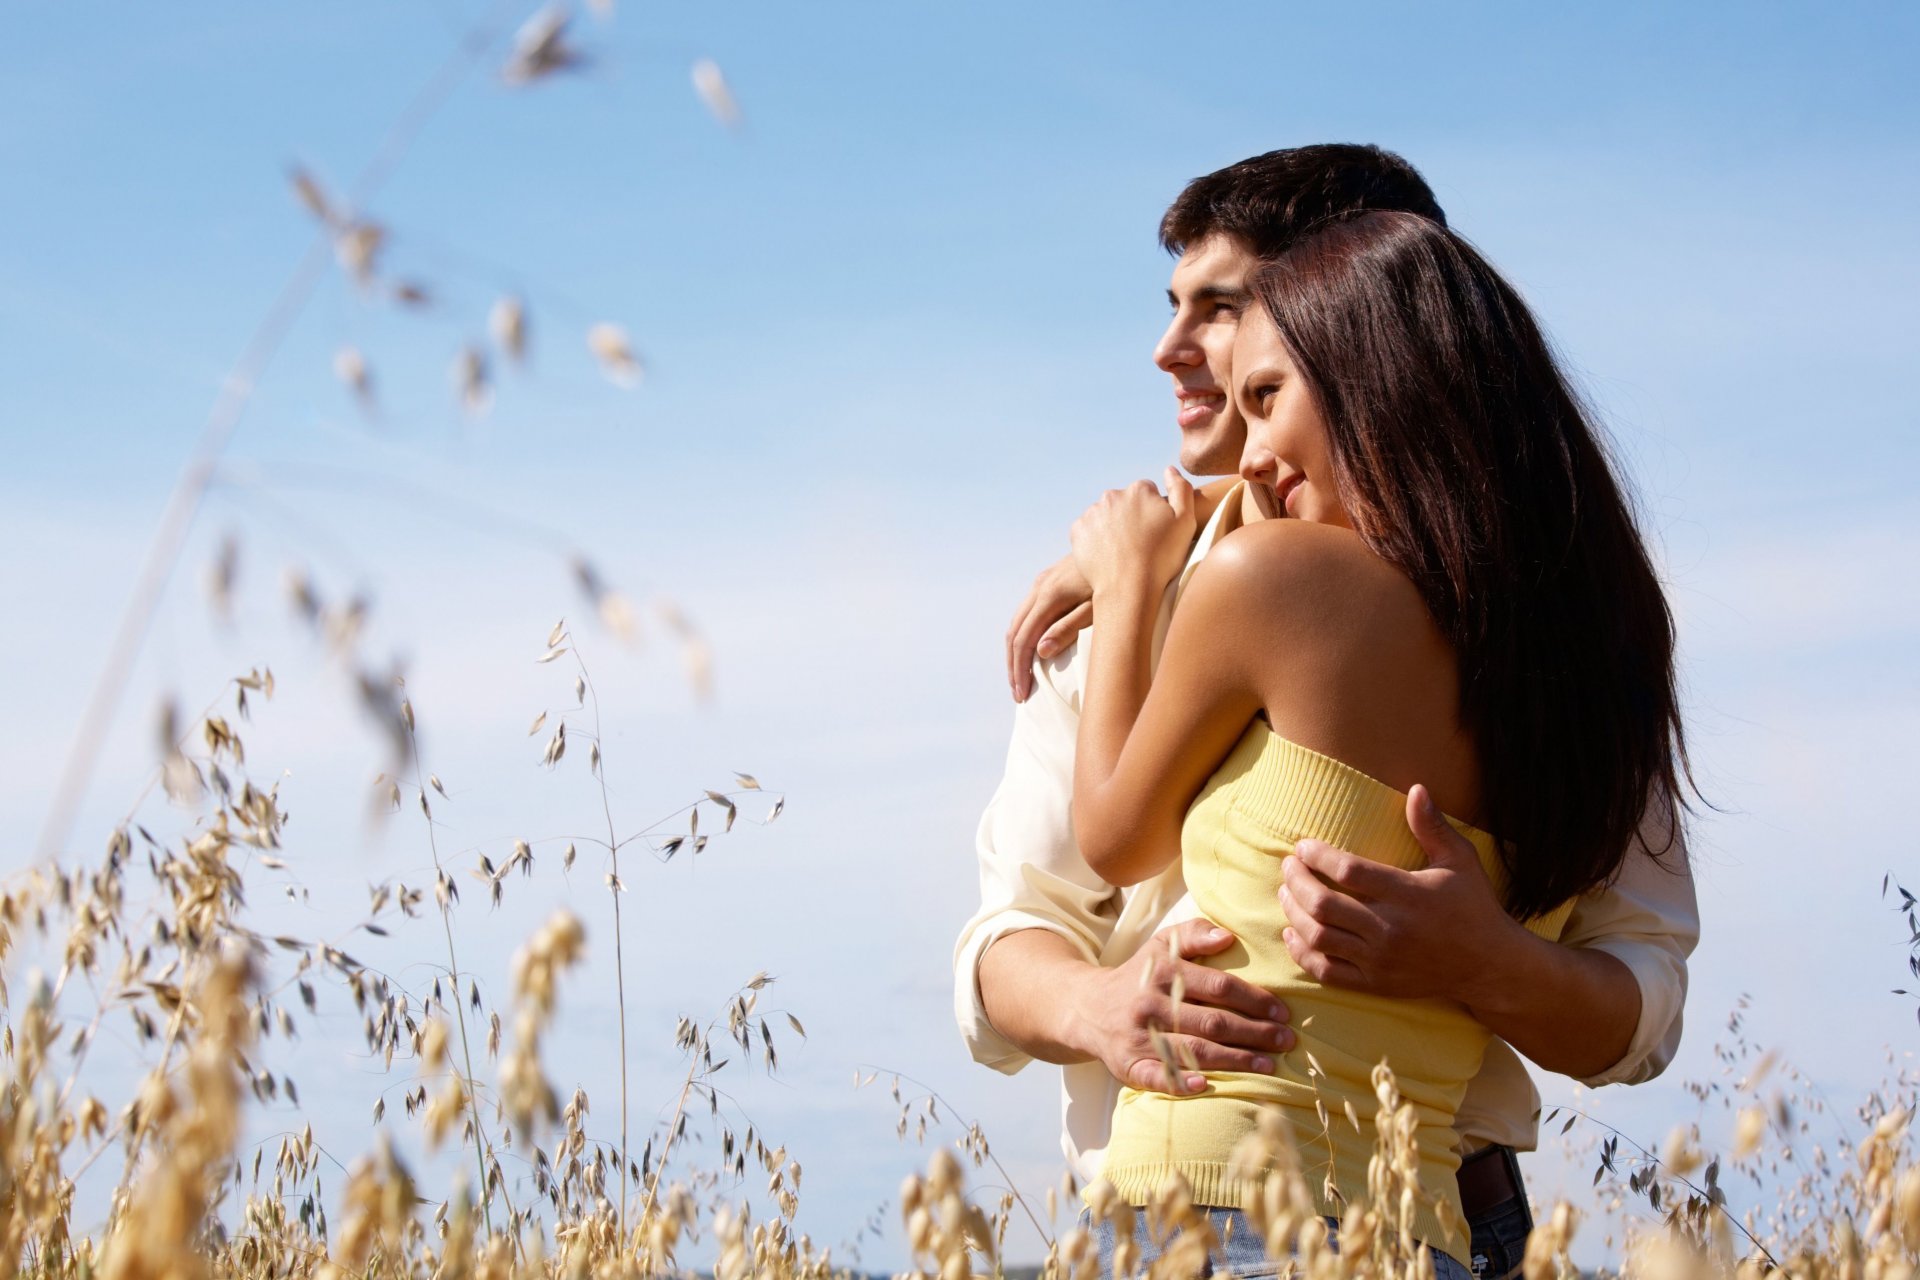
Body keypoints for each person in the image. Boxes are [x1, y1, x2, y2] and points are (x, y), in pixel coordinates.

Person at [952, 147, 1698, 1278]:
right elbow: (1011, 927)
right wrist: (1101, 1004)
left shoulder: (1560, 638)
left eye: (1227, 312)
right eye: (1176, 309)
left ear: (1363, 336)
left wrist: (1486, 958)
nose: (1171, 351)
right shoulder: (1583, 627)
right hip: (1374, 1226)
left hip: (1282, 1213)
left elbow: (1640, 990)